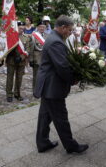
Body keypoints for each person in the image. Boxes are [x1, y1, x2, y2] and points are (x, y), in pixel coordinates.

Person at [34, 15, 89, 154]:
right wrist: (73, 79)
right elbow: (62, 67)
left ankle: (42, 142)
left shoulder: (55, 38)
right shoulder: (56, 42)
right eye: (69, 30)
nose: (70, 33)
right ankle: (71, 146)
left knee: (45, 116)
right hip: (52, 87)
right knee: (61, 118)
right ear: (63, 27)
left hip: (48, 85)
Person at [6, 22, 31, 102]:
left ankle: (17, 93)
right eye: (20, 28)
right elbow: (7, 48)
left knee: (19, 78)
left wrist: (22, 57)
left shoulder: (26, 37)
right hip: (11, 60)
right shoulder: (11, 36)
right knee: (10, 78)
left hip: (21, 61)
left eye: (22, 28)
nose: (21, 30)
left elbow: (28, 49)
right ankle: (9, 94)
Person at [30, 21, 47, 91]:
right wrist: (31, 59)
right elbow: (31, 49)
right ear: (37, 27)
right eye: (40, 27)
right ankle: (35, 90)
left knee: (44, 75)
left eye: (43, 27)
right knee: (36, 76)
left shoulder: (47, 36)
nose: (42, 28)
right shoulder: (34, 36)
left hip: (45, 59)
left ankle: (43, 89)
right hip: (36, 58)